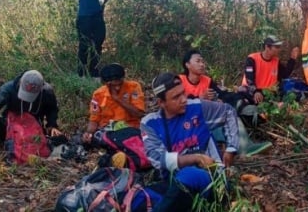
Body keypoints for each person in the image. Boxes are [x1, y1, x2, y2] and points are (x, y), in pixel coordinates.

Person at [140, 73, 239, 211]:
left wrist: (232, 148)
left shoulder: (197, 107)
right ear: (161, 103)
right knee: (143, 197)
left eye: (183, 93)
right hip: (175, 184)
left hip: (213, 183)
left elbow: (228, 111)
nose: (184, 100)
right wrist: (195, 158)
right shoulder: (150, 123)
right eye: (176, 97)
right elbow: (158, 159)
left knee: (190, 174)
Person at [180, 49, 273, 156]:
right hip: (188, 121)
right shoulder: (179, 81)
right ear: (187, 64)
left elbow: (222, 94)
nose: (202, 64)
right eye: (198, 61)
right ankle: (221, 150)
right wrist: (199, 98)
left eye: (203, 61)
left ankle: (245, 147)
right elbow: (177, 103)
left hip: (208, 116)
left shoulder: (207, 80)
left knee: (228, 111)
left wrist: (229, 100)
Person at [0, 70, 62, 148]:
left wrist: (52, 124)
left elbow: (52, 108)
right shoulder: (8, 89)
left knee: (58, 139)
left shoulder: (47, 91)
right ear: (20, 82)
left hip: (34, 130)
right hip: (10, 128)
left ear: (41, 88)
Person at [82, 63, 145, 145]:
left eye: (119, 84)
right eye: (113, 85)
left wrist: (117, 98)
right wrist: (89, 133)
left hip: (130, 128)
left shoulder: (133, 87)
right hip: (108, 131)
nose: (117, 88)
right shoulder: (98, 94)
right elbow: (94, 119)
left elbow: (139, 114)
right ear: (106, 83)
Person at [75, 0, 109, 78]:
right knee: (84, 45)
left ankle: (94, 74)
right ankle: (81, 75)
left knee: (98, 44)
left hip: (97, 17)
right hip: (85, 18)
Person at [240, 35, 299, 104]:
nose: (279, 49)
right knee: (244, 92)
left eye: (279, 47)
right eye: (276, 47)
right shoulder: (252, 59)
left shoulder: (276, 61)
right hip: (252, 90)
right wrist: (255, 91)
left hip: (268, 92)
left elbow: (285, 74)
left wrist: (292, 58)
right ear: (267, 47)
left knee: (292, 95)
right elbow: (249, 78)